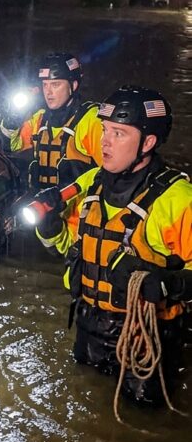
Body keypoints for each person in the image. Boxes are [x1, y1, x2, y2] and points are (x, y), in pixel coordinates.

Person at [35, 86, 192, 404]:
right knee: (82, 405)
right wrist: (49, 227)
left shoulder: (177, 200)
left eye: (119, 133)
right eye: (105, 130)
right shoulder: (91, 181)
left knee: (141, 422)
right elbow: (73, 246)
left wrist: (165, 283)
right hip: (88, 325)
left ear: (147, 143)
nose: (104, 141)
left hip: (144, 339)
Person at [0, 52, 103, 192]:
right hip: (42, 209)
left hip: (79, 212)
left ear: (73, 85)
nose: (48, 92)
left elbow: (111, 171)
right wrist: (12, 118)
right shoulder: (40, 119)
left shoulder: (91, 119)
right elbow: (10, 147)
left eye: (55, 84)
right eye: (45, 85)